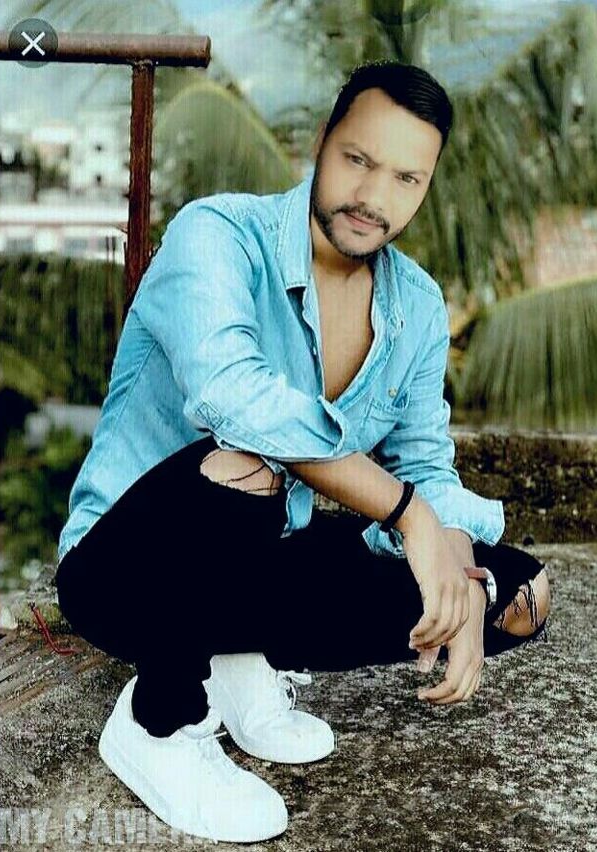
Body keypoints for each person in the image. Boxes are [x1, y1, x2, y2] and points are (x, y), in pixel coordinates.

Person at [55, 60, 551, 844]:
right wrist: (409, 515)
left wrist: (455, 569)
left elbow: (425, 465)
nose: (374, 197)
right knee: (247, 462)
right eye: (358, 160)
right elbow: (234, 396)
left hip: (260, 566)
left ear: (426, 186)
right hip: (126, 576)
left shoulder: (416, 305)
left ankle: (236, 661)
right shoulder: (218, 234)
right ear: (322, 142)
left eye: (406, 179)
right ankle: (159, 722)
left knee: (516, 593)